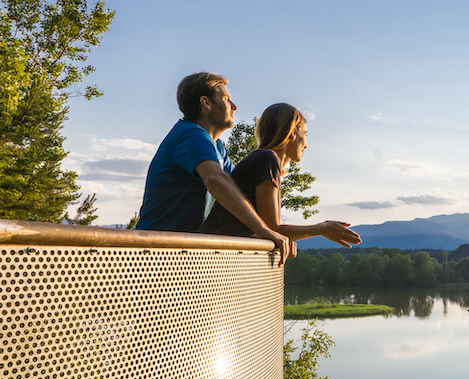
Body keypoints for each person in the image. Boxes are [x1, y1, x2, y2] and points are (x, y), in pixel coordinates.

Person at [136, 72, 293, 262]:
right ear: (206, 103)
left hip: (183, 254)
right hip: (153, 255)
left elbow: (235, 191)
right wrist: (262, 230)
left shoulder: (217, 147)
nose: (234, 107)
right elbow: (215, 180)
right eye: (226, 100)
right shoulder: (191, 134)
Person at [199, 102, 361, 248]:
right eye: (305, 135)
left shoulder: (264, 159)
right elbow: (272, 228)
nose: (306, 145)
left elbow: (265, 230)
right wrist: (322, 229)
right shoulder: (267, 160)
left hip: (215, 252)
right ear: (292, 134)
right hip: (208, 255)